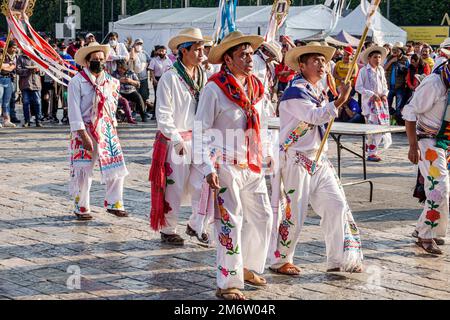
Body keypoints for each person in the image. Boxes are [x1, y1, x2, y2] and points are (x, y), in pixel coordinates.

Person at [269, 41, 363, 278]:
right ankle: (280, 260)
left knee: (336, 205)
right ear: (302, 66)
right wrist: (339, 101)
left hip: (318, 158)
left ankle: (337, 258)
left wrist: (336, 99)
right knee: (295, 212)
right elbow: (314, 116)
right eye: (315, 61)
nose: (322, 65)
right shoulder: (294, 92)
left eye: (323, 61)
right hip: (296, 159)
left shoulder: (317, 90)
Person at [195, 30, 274, 300]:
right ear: (227, 60)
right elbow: (200, 131)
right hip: (226, 165)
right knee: (230, 222)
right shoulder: (214, 89)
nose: (249, 59)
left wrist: (269, 152)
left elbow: (265, 124)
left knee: (264, 216)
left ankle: (249, 266)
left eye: (251, 54)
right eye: (243, 54)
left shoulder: (257, 87)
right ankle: (228, 282)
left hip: (252, 164)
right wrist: (208, 168)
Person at [149, 28, 208, 246]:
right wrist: (175, 139)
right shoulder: (170, 78)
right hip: (178, 140)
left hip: (199, 138)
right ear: (183, 51)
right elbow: (163, 113)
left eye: (203, 49)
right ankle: (168, 228)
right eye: (197, 50)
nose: (202, 54)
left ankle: (196, 223)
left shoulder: (205, 76)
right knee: (173, 186)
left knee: (202, 184)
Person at [68, 42, 129, 221]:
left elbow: (112, 106)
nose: (99, 62)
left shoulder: (111, 82)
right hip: (84, 129)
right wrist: (81, 133)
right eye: (95, 60)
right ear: (87, 62)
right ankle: (81, 206)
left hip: (105, 129)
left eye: (102, 59)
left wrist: (112, 127)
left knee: (116, 165)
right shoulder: (76, 81)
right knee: (83, 170)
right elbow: (73, 109)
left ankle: (114, 202)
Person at [402, 53, 450, 255]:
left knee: (441, 188)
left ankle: (429, 229)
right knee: (439, 187)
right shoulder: (435, 83)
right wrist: (413, 145)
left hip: (443, 141)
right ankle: (425, 234)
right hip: (427, 141)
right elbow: (410, 111)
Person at [356, 46, 391, 162]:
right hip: (369, 105)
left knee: (381, 128)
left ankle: (370, 148)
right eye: (375, 57)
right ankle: (372, 152)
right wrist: (371, 94)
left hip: (380, 104)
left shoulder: (381, 70)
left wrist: (385, 93)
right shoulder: (364, 71)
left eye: (380, 57)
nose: (378, 59)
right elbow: (358, 87)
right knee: (372, 129)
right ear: (369, 58)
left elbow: (384, 85)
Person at [253, 41, 282, 117]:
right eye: (273, 56)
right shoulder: (254, 60)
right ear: (268, 53)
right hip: (256, 98)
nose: (273, 58)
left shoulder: (270, 65)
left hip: (265, 98)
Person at [384, 42, 410, 125]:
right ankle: (394, 115)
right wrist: (391, 61)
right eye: (393, 49)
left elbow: (408, 71)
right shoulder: (389, 58)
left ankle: (398, 122)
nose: (394, 51)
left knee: (399, 108)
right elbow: (384, 68)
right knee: (386, 106)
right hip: (389, 86)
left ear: (401, 51)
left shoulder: (405, 59)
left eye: (397, 49)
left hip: (400, 86)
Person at [16, 52, 43, 127]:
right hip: (25, 84)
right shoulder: (20, 58)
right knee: (25, 103)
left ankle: (38, 120)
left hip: (36, 84)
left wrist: (38, 70)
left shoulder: (37, 57)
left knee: (37, 102)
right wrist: (28, 71)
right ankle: (27, 121)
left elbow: (43, 71)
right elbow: (18, 70)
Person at [128, 38, 152, 116]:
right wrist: (132, 50)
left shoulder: (144, 53)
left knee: (144, 95)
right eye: (137, 44)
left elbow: (150, 61)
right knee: (134, 95)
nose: (139, 45)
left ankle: (144, 111)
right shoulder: (131, 52)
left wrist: (146, 66)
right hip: (134, 79)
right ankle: (134, 111)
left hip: (144, 78)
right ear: (134, 44)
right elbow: (129, 60)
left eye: (140, 44)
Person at [149, 45, 172, 117]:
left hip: (166, 79)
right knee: (157, 96)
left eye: (162, 51)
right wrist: (154, 80)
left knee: (166, 96)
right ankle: (155, 114)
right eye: (159, 51)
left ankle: (165, 113)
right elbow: (151, 70)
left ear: (165, 51)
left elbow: (171, 70)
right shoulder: (154, 60)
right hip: (157, 79)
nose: (161, 52)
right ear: (157, 52)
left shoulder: (169, 60)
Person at [0, 40, 18, 128]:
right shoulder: (2, 55)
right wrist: (8, 65)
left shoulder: (12, 56)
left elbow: (13, 67)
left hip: (8, 79)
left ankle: (6, 120)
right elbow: (1, 67)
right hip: (0, 79)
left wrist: (6, 66)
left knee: (6, 102)